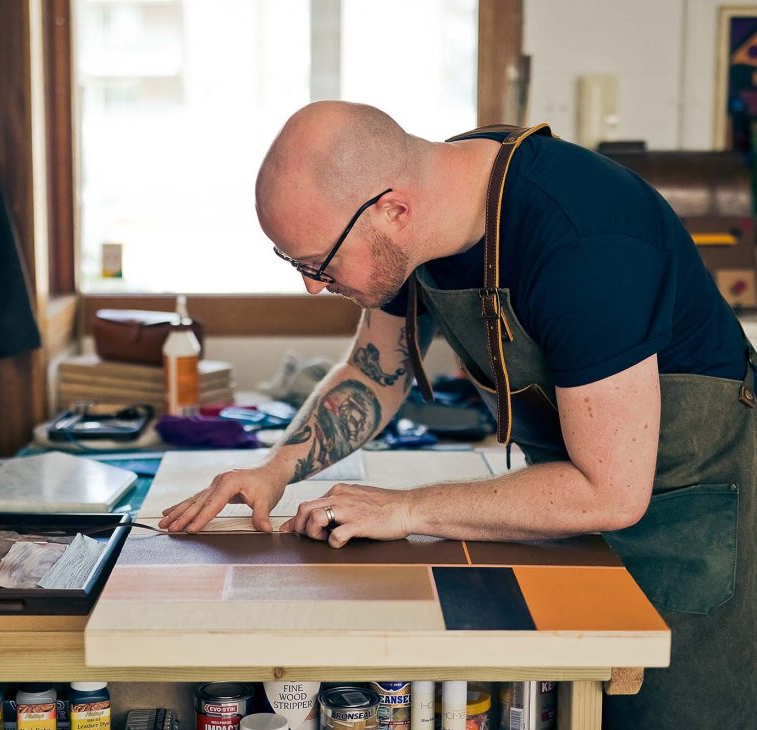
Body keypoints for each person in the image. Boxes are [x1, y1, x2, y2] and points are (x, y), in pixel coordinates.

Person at [159, 101, 756, 727]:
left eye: (319, 263)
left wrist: (407, 507)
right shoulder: (429, 211)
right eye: (295, 264)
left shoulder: (585, 242)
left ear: (393, 209)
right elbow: (373, 371)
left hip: (687, 514)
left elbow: (609, 491)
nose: (311, 286)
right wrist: (276, 470)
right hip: (565, 506)